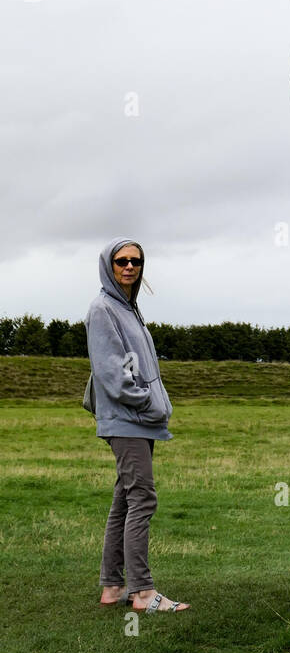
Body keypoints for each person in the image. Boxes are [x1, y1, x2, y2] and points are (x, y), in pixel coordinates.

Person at [85, 237, 189, 613]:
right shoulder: (103, 309)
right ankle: (143, 592)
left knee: (125, 499)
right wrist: (144, 399)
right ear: (108, 265)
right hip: (128, 419)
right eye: (121, 261)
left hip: (139, 419)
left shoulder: (128, 309)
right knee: (142, 498)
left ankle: (112, 587)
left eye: (136, 261)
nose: (129, 267)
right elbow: (112, 371)